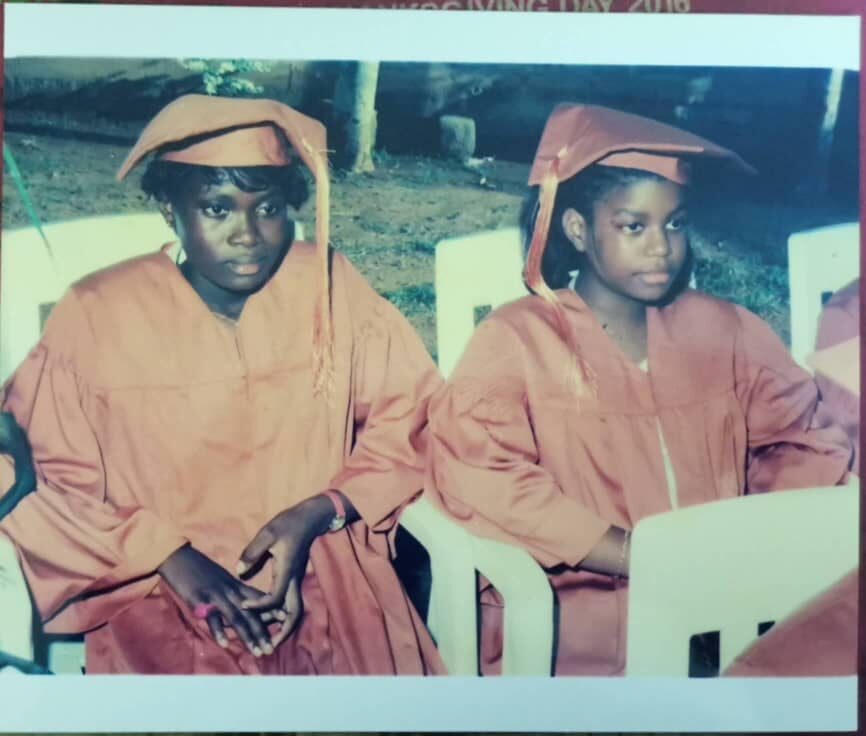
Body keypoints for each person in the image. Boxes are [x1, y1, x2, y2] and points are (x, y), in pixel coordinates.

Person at [0, 94, 444, 675]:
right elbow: (31, 478)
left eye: (268, 208)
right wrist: (166, 555)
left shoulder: (327, 285)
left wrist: (323, 509)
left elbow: (415, 416)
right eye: (217, 209)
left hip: (328, 582)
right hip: (158, 595)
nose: (248, 234)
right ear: (169, 209)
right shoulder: (98, 313)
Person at [425, 104, 853, 676]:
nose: (660, 247)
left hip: (728, 605)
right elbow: (482, 473)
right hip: (580, 617)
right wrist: (637, 555)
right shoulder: (519, 340)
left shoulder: (724, 329)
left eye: (674, 224)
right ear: (577, 230)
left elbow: (803, 435)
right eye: (634, 226)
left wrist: (753, 535)